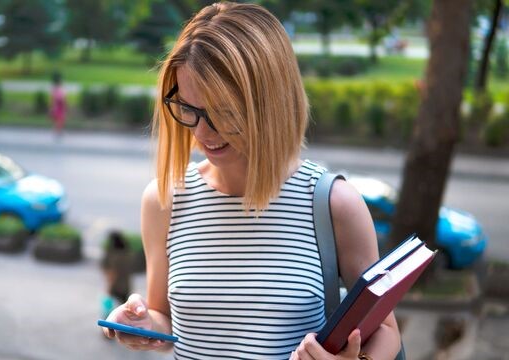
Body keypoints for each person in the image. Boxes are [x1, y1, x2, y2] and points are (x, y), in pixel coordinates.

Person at [102, 2, 401, 359]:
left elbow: (385, 329)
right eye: (188, 109)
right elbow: (166, 319)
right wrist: (143, 324)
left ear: (271, 103)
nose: (202, 132)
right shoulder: (165, 200)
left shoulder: (333, 204)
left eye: (223, 113)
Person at [101, 230, 133, 306]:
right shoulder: (126, 252)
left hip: (116, 286)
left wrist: (109, 287)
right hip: (126, 285)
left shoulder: (112, 254)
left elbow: (112, 273)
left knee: (111, 311)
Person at [49, 72, 67, 138]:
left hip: (59, 105)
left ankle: (58, 131)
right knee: (59, 119)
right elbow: (59, 98)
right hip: (59, 105)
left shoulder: (57, 88)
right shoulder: (57, 89)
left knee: (60, 119)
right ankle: (58, 131)